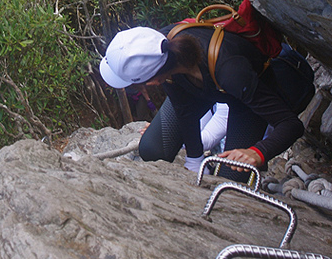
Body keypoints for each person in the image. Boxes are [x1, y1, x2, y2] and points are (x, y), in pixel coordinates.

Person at [100, 25, 304, 181]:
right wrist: (194, 161)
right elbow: (184, 110)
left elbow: (291, 125)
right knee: (153, 148)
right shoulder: (162, 52)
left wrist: (258, 152)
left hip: (244, 101)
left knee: (229, 179)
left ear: (154, 81)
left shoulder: (230, 71)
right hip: (201, 90)